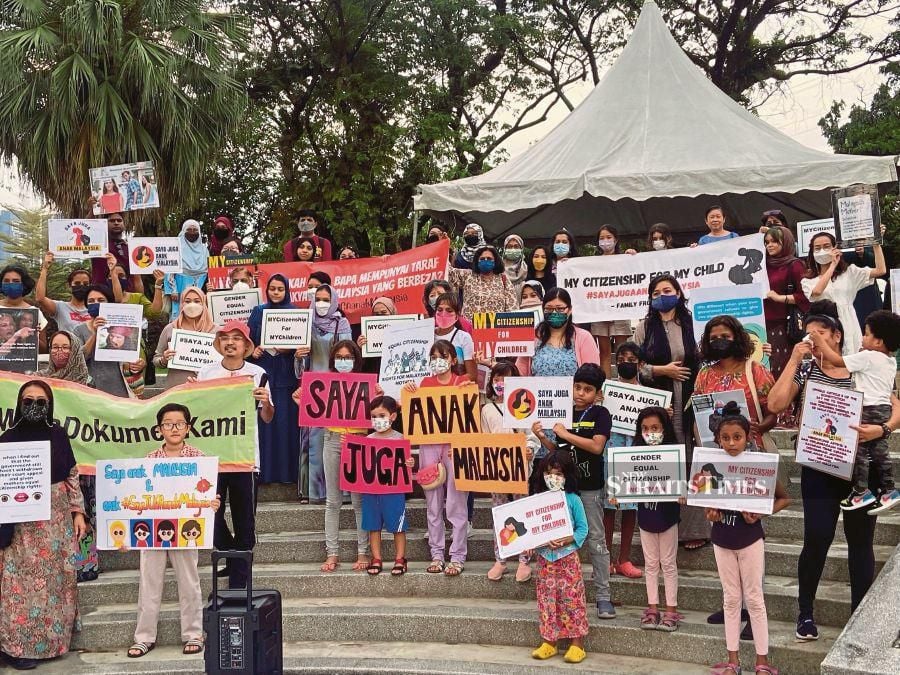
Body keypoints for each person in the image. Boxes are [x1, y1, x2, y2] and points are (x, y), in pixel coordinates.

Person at [766, 300, 900, 641]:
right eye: (807, 333)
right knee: (817, 539)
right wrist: (795, 358)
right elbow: (776, 404)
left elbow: (895, 405)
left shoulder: (862, 363)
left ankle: (860, 617)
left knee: (861, 543)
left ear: (836, 336)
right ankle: (805, 613)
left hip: (861, 467)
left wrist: (882, 430)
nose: (812, 338)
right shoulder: (806, 368)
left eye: (819, 333)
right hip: (820, 466)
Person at [0, 380, 87, 670]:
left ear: (49, 405)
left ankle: (50, 644)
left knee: (55, 584)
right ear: (18, 403)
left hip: (56, 522)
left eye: (41, 401)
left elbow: (71, 474)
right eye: (28, 401)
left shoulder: (58, 435)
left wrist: (77, 512)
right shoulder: (7, 439)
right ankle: (15, 647)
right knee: (18, 586)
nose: (34, 406)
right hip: (20, 527)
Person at [125, 403, 221, 658]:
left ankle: (193, 634)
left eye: (179, 423)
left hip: (186, 530)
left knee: (189, 583)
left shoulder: (199, 460)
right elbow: (137, 494)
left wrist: (212, 503)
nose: (174, 428)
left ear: (188, 428)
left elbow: (208, 494)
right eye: (168, 424)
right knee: (149, 583)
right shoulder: (148, 461)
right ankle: (144, 637)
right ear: (159, 429)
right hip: (153, 530)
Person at [706, 413, 790, 675]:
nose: (731, 443)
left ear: (747, 438)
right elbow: (706, 503)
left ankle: (761, 662)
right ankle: (733, 661)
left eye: (737, 437)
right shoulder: (710, 467)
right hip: (722, 540)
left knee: (754, 598)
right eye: (726, 438)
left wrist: (761, 513)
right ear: (718, 440)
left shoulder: (759, 466)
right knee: (731, 599)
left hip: (750, 540)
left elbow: (784, 499)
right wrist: (710, 514)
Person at [532, 363, 615, 620]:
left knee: (595, 540)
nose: (580, 393)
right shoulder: (563, 411)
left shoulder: (600, 414)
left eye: (587, 389)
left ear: (597, 393)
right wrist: (542, 438)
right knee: (559, 539)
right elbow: (558, 451)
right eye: (577, 387)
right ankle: (562, 593)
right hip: (563, 488)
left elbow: (596, 447)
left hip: (590, 488)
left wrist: (565, 433)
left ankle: (603, 596)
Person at [197, 321, 274, 589]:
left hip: (245, 459)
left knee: (245, 521)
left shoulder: (259, 373)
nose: (230, 343)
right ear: (219, 344)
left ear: (246, 346)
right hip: (211, 459)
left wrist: (265, 401)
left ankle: (240, 581)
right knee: (209, 517)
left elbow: (267, 417)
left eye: (236, 339)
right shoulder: (206, 373)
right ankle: (233, 556)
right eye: (225, 338)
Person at [633, 275, 704, 548]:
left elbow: (702, 357)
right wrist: (663, 370)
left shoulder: (690, 322)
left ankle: (693, 530)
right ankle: (660, 523)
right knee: (661, 461)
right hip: (658, 406)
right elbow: (634, 366)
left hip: (687, 403)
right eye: (657, 292)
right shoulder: (644, 328)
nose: (663, 295)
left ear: (678, 292)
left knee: (688, 459)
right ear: (650, 298)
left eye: (668, 290)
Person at [809, 309, 900, 513]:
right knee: (878, 452)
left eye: (866, 334)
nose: (862, 337)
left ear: (878, 342)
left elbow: (836, 360)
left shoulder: (868, 356)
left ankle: (862, 491)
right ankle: (888, 489)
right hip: (883, 408)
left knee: (859, 450)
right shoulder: (890, 361)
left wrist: (819, 340)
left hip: (867, 408)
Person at [294, 340, 372, 573]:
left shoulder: (365, 384)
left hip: (358, 441)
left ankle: (362, 552)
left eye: (348, 357)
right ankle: (332, 554)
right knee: (332, 501)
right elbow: (312, 410)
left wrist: (379, 395)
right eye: (339, 356)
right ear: (333, 359)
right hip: (332, 440)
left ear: (356, 360)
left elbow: (383, 411)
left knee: (359, 502)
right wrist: (300, 400)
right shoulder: (325, 383)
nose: (344, 361)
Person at [403, 340, 474, 576]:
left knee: (456, 502)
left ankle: (457, 555)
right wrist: (412, 393)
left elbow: (470, 417)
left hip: (455, 448)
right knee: (433, 502)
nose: (437, 361)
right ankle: (436, 553)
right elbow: (416, 413)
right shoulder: (425, 383)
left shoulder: (463, 382)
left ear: (454, 359)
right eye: (433, 356)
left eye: (442, 355)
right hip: (430, 445)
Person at [527, 451, 589, 664]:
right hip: (545, 561)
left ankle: (577, 643)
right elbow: (530, 530)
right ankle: (549, 641)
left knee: (571, 601)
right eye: (548, 473)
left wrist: (566, 539)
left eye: (558, 473)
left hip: (567, 559)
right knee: (547, 601)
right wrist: (535, 543)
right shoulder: (537, 501)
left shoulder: (573, 500)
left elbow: (583, 529)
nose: (553, 477)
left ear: (567, 475)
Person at [483, 362, 538, 582]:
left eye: (506, 379)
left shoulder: (523, 405)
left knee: (521, 513)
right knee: (500, 515)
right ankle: (501, 559)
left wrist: (530, 450)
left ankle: (524, 560)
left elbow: (532, 436)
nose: (501, 384)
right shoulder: (486, 409)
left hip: (520, 471)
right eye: (497, 379)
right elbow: (483, 438)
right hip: (497, 471)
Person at [630, 407, 682, 632]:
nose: (650, 432)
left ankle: (671, 610)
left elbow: (682, 484)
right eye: (645, 429)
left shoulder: (674, 453)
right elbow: (624, 481)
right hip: (646, 515)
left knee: (668, 563)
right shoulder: (634, 455)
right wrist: (617, 492)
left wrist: (682, 492)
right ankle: (652, 608)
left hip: (668, 515)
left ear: (664, 429)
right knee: (650, 563)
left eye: (655, 428)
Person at [248, 274, 301, 484]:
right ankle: (265, 474)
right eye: (272, 288)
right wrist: (255, 350)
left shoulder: (296, 313)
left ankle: (288, 475)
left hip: (287, 374)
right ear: (267, 290)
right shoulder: (258, 311)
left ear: (287, 290)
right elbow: (248, 342)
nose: (276, 292)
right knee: (265, 425)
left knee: (286, 424)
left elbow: (303, 344)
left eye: (280, 289)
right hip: (264, 373)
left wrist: (293, 347)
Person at [694, 315, 776, 449]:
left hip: (753, 450)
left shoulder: (756, 370)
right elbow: (698, 417)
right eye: (713, 338)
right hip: (716, 451)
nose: (719, 341)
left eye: (725, 337)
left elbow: (772, 413)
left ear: (737, 338)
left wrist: (759, 428)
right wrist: (703, 448)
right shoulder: (704, 374)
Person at [303, 284, 352, 502]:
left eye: (326, 299)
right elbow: (301, 360)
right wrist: (298, 355)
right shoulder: (305, 321)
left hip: (337, 388)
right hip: (313, 388)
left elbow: (349, 355)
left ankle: (345, 491)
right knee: (315, 441)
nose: (322, 303)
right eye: (318, 298)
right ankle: (315, 491)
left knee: (341, 439)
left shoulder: (341, 323)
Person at [801, 230, 886, 354]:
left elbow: (880, 270)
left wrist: (876, 243)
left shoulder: (849, 273)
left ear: (835, 248)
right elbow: (817, 291)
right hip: (824, 325)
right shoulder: (807, 280)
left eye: (826, 246)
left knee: (851, 356)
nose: (822, 251)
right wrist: (832, 266)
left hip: (849, 321)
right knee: (827, 360)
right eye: (817, 248)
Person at [602, 341, 643, 579]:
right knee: (609, 508)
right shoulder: (608, 390)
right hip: (610, 452)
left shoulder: (649, 393)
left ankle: (624, 559)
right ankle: (606, 559)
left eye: (632, 359)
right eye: (623, 358)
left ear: (640, 363)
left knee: (631, 508)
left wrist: (663, 412)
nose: (627, 363)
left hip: (635, 452)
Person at [361, 395, 415, 576]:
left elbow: (407, 466)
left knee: (398, 526)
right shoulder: (367, 439)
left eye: (382, 415)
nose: (377, 420)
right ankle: (376, 558)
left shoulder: (401, 439)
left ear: (393, 416)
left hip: (394, 491)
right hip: (371, 491)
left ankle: (400, 558)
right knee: (373, 525)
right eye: (374, 416)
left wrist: (410, 464)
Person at [77, 285, 147, 397]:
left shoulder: (123, 325)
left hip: (121, 390)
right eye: (91, 301)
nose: (96, 303)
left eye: (101, 300)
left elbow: (132, 357)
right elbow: (78, 359)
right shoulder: (79, 330)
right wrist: (96, 333)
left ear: (109, 302)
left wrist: (139, 364)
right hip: (92, 391)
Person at [515, 289, 600, 378]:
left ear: (570, 309)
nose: (554, 313)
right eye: (549, 309)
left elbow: (593, 376)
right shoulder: (532, 337)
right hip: (536, 391)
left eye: (560, 309)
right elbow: (519, 374)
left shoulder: (584, 338)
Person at [762, 226, 809, 378]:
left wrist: (780, 298)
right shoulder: (762, 265)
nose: (770, 245)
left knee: (783, 369)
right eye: (767, 242)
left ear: (786, 242)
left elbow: (806, 296)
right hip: (761, 324)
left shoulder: (795, 265)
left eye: (775, 241)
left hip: (784, 326)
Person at [154, 287, 218, 389]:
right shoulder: (170, 329)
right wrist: (164, 359)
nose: (192, 305)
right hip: (177, 388)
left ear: (203, 304)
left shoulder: (216, 331)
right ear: (181, 304)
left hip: (208, 389)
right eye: (187, 301)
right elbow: (156, 359)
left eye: (197, 301)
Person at [590, 225, 634, 376]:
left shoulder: (625, 259)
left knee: (623, 353)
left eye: (609, 237)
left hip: (620, 309)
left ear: (616, 239)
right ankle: (605, 387)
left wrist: (633, 256)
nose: (605, 241)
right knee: (604, 353)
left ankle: (624, 384)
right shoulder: (591, 262)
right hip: (600, 310)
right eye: (602, 238)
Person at [448, 245, 518, 320]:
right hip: (470, 329)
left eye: (489, 258)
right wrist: (441, 244)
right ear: (477, 261)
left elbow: (512, 308)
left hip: (495, 329)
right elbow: (448, 272)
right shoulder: (468, 276)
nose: (485, 260)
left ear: (495, 261)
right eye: (482, 259)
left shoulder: (503, 280)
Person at [164, 219, 209, 317]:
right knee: (179, 315)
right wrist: (173, 290)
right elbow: (170, 269)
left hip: (200, 287)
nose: (192, 232)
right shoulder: (176, 248)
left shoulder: (204, 250)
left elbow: (207, 271)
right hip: (179, 287)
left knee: (198, 314)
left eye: (195, 230)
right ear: (183, 231)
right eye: (189, 229)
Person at [35, 255, 92, 332]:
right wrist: (44, 268)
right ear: (69, 285)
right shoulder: (60, 307)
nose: (81, 286)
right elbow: (40, 298)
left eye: (85, 284)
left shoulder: (95, 309)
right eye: (77, 283)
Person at [432, 292, 477, 381]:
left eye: (449, 310)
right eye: (440, 310)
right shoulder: (427, 335)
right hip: (428, 391)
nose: (443, 313)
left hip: (455, 391)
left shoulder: (464, 337)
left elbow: (472, 375)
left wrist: (447, 382)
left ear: (457, 315)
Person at [90, 212, 130, 284]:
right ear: (104, 224)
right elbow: (86, 230)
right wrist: (92, 211)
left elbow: (136, 277)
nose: (116, 223)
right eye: (112, 221)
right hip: (102, 292)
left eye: (119, 220)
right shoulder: (97, 244)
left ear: (124, 224)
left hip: (127, 292)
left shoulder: (130, 248)